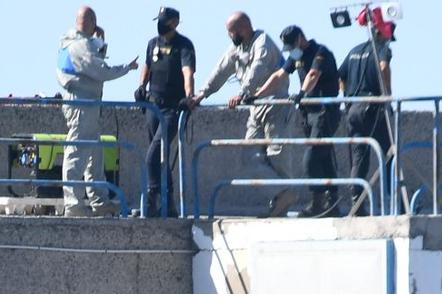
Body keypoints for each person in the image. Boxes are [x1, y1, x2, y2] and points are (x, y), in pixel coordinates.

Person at [191, 12, 291, 216]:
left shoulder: (263, 42)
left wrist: (242, 93)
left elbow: (258, 69)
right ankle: (282, 194)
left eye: (232, 31)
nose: (230, 36)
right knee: (250, 156)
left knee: (276, 155)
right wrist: (201, 95)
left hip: (275, 105)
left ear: (243, 28)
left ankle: (282, 200)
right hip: (255, 108)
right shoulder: (236, 49)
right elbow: (221, 70)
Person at [57, 7, 140, 217]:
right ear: (92, 21)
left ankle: (99, 201)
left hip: (85, 103)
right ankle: (74, 204)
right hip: (82, 104)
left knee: (94, 153)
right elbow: (100, 70)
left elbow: (91, 63)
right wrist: (126, 68)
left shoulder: (70, 42)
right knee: (77, 151)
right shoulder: (80, 46)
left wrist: (99, 44)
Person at [254, 25, 341, 217]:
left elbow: (313, 75)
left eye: (292, 44)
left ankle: (318, 203)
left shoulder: (320, 52)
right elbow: (279, 75)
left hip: (324, 112)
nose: (291, 49)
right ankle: (333, 204)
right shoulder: (296, 56)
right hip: (308, 114)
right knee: (324, 158)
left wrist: (302, 93)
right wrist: (257, 95)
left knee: (310, 158)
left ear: (301, 38)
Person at [137, 7, 195, 217]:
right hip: (153, 106)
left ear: (175, 22)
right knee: (161, 158)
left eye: (164, 21)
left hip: (172, 108)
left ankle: (152, 197)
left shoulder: (184, 45)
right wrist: (142, 86)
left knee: (154, 155)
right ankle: (169, 203)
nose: (160, 24)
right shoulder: (153, 43)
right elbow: (147, 67)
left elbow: (187, 73)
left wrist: (188, 97)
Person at [337, 20, 393, 215]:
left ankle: (357, 205)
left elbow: (341, 76)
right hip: (373, 109)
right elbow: (384, 67)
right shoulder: (382, 49)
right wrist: (387, 95)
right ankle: (395, 203)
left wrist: (347, 99)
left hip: (353, 109)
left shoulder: (354, 50)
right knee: (389, 155)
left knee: (359, 158)